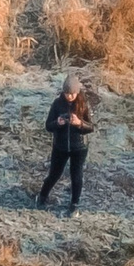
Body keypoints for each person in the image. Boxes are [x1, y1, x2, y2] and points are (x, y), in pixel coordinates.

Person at [38, 75, 95, 212]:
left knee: (76, 176)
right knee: (54, 174)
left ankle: (74, 204)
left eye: (72, 94)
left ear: (77, 92)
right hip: (60, 147)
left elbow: (91, 127)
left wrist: (79, 123)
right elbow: (48, 126)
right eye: (67, 93)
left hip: (79, 148)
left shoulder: (83, 104)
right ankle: (42, 196)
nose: (69, 96)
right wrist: (57, 123)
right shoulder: (57, 104)